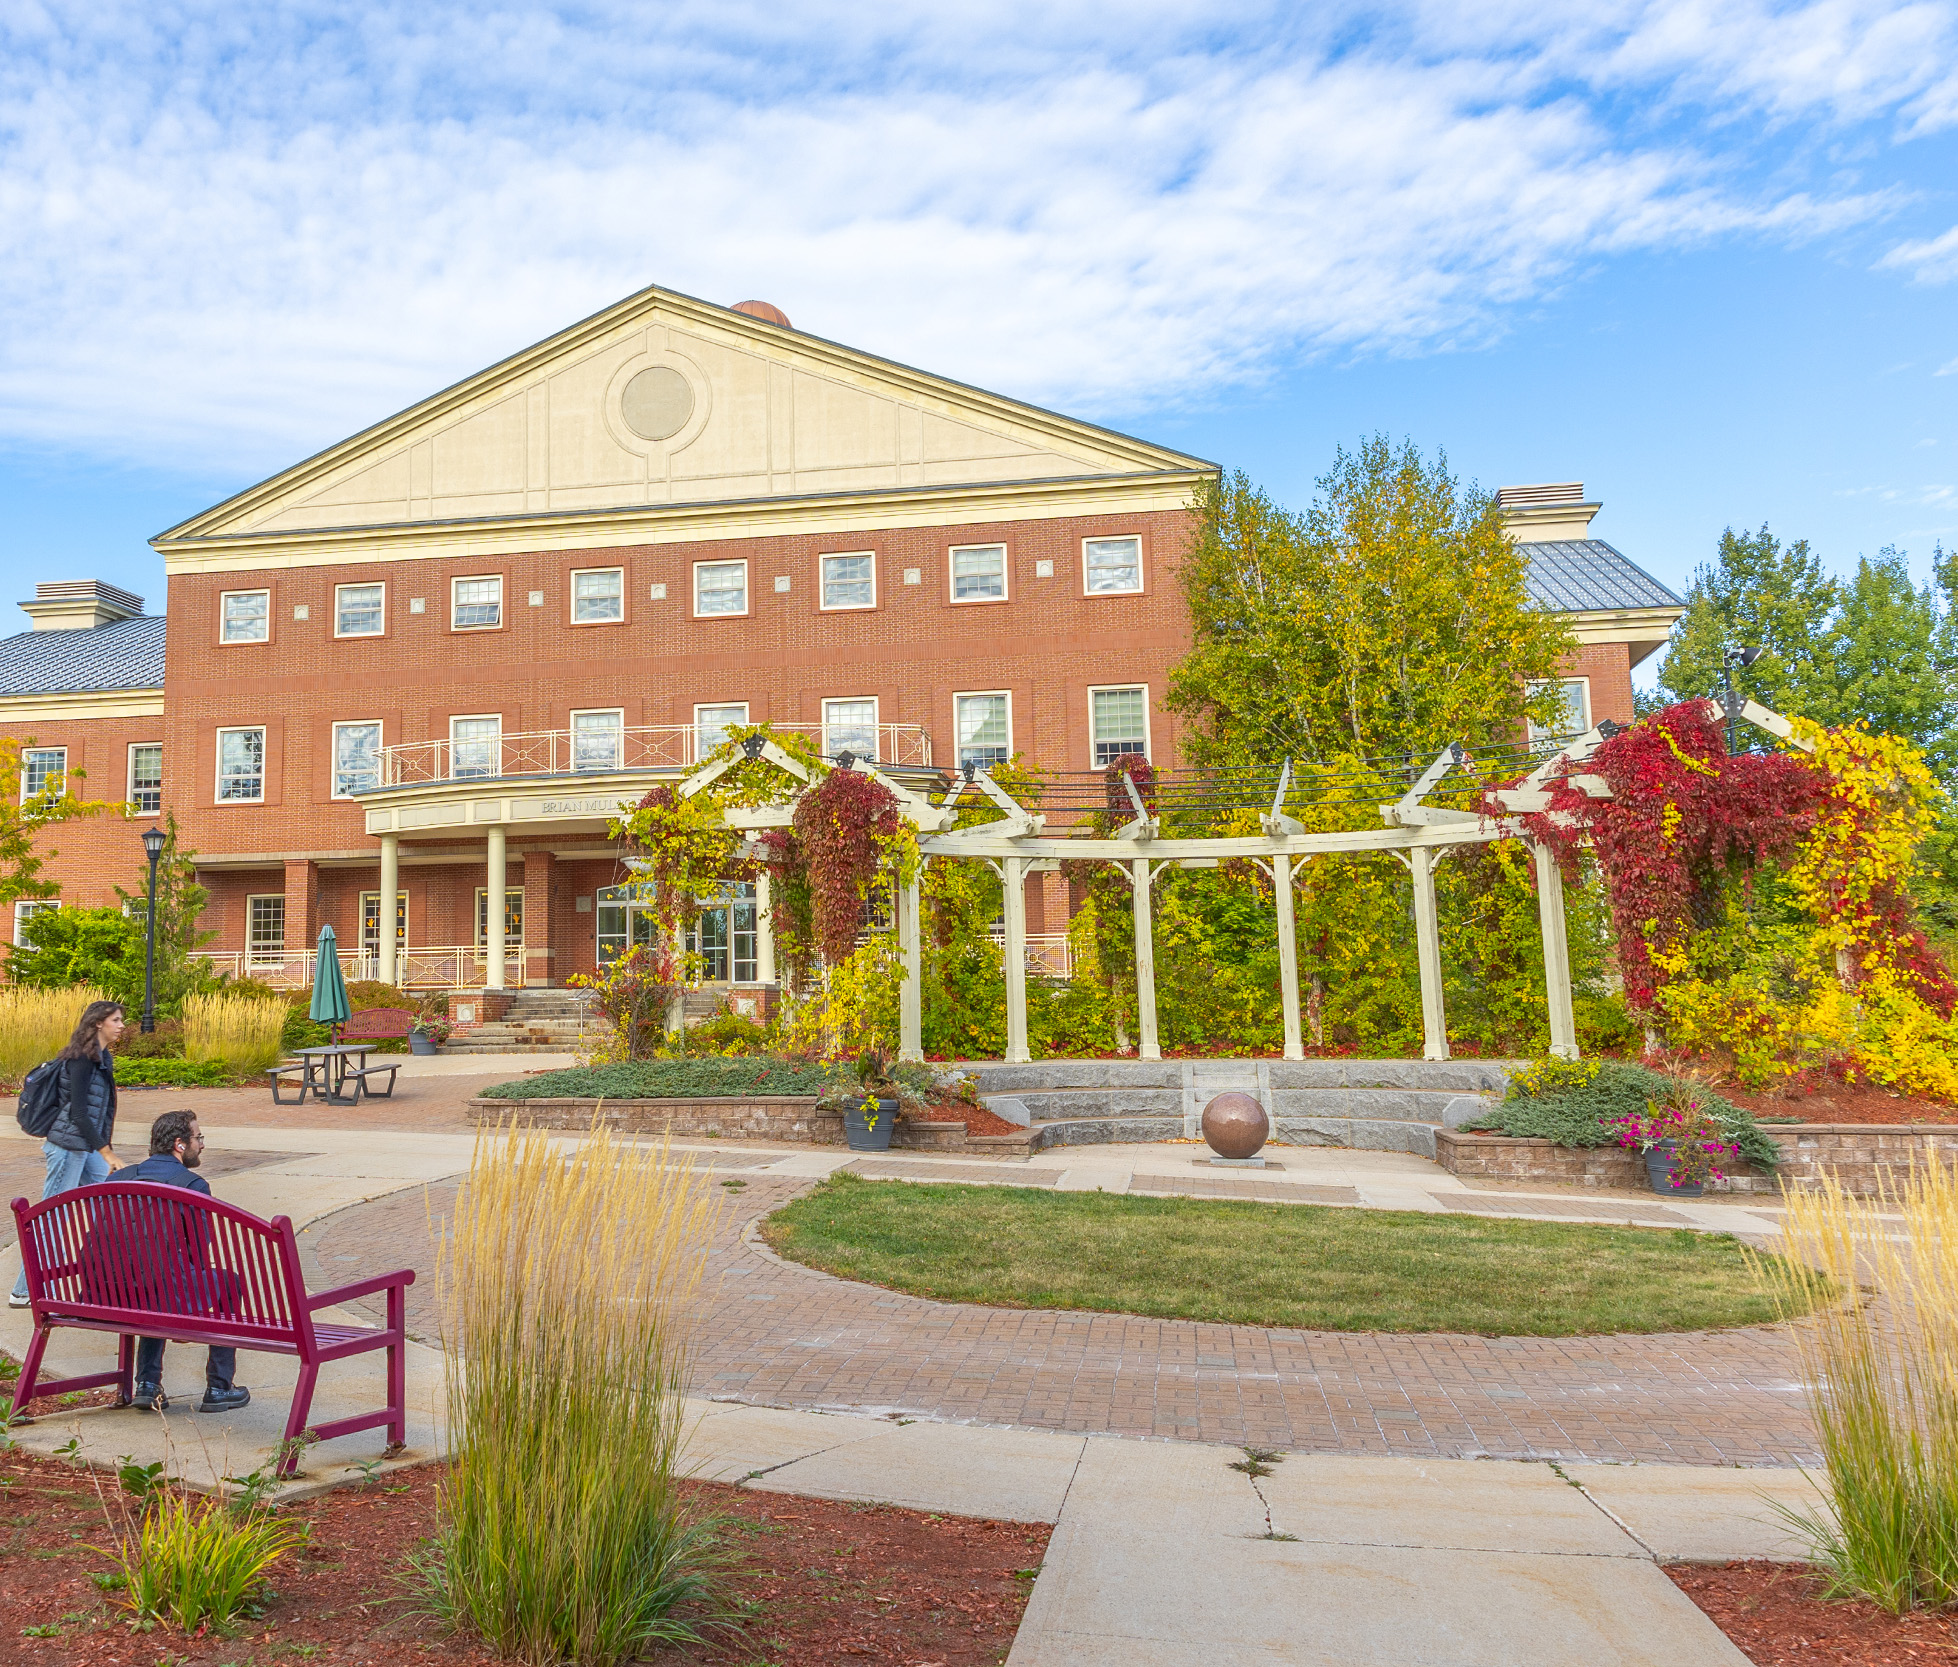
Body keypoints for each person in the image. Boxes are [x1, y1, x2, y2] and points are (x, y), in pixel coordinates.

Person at [113, 1110, 251, 1414]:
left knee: (153, 1280)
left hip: (110, 1295)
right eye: (198, 1138)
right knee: (228, 1282)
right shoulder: (192, 1185)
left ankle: (147, 1384)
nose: (201, 1145)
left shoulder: (117, 1177)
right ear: (179, 1144)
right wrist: (193, 1310)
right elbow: (200, 1253)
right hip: (161, 1295)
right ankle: (219, 1386)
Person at [9, 998, 124, 1309]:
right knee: (51, 1219)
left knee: (112, 1204)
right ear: (98, 1022)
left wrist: (102, 1149)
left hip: (85, 1147)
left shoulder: (103, 1057)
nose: (121, 1026)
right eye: (116, 1020)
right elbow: (79, 1115)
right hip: (67, 1148)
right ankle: (23, 1291)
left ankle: (113, 1279)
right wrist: (108, 1153)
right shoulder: (81, 1060)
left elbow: (103, 1112)